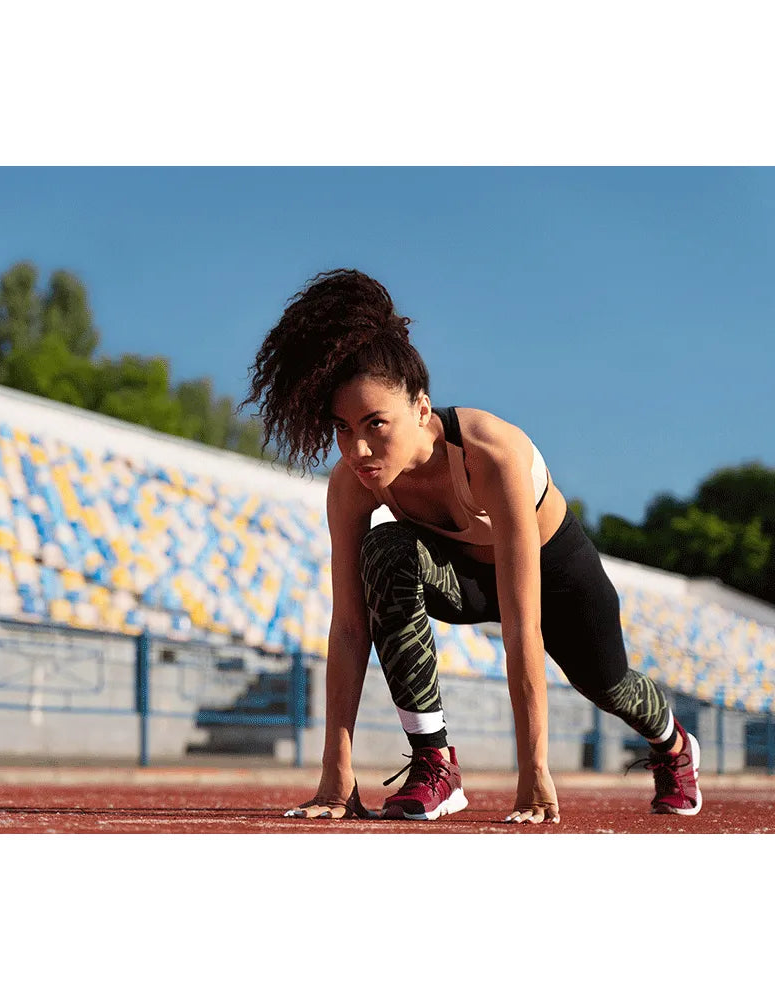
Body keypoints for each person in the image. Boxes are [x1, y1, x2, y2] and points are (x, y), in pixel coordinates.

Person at [243, 269, 702, 824]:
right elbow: (347, 627)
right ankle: (434, 763)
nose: (359, 448)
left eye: (375, 424)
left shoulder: (492, 454)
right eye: (342, 428)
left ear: (421, 408)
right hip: (459, 578)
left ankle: (675, 746)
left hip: (554, 575)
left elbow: (522, 629)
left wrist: (534, 771)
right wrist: (335, 772)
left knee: (609, 686)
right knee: (387, 551)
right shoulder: (350, 485)